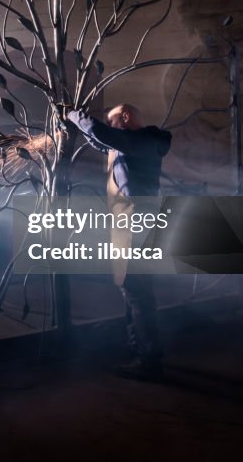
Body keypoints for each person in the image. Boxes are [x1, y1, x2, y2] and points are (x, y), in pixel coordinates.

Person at [67, 103, 172, 380]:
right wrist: (76, 126)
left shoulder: (141, 142)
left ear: (125, 118)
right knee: (135, 290)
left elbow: (102, 133)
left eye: (113, 121)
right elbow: (101, 140)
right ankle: (143, 353)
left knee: (137, 292)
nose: (110, 126)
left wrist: (72, 114)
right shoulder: (131, 144)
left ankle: (148, 361)